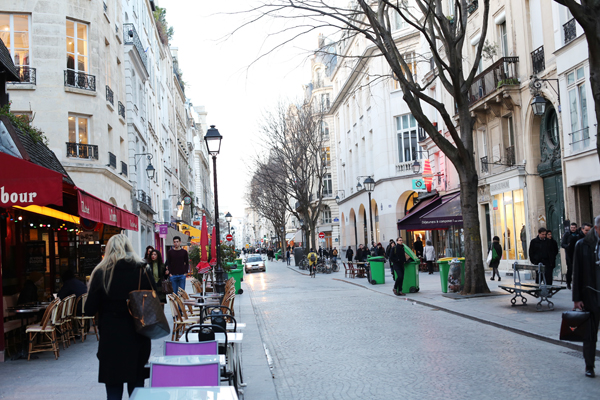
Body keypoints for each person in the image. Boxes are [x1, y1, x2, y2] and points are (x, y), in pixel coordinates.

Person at [85, 234, 157, 399]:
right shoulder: (142, 270)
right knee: (137, 384)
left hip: (111, 337)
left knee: (114, 388)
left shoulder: (101, 273)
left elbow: (89, 309)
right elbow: (154, 300)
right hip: (138, 334)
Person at [572, 215, 600, 378]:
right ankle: (589, 365)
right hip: (590, 296)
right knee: (590, 335)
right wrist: (577, 298)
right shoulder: (582, 245)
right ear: (596, 228)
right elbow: (577, 273)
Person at [567, 224, 591, 290]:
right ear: (582, 229)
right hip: (578, 260)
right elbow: (570, 250)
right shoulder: (576, 239)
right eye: (586, 230)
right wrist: (573, 260)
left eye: (589, 230)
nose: (588, 232)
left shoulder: (592, 239)